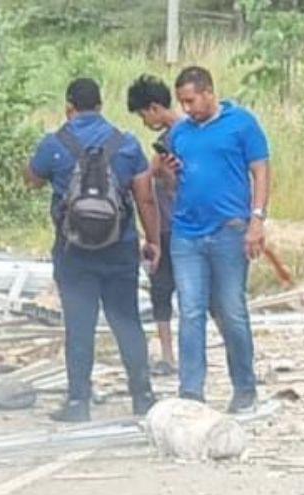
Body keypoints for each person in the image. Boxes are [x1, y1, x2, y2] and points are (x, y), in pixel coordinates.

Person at [25, 78, 161, 422]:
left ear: (69, 106)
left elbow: (32, 180)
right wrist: (153, 240)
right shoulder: (126, 144)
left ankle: (77, 403)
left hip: (74, 253)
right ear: (101, 106)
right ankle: (143, 397)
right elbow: (145, 195)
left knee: (79, 325)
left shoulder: (54, 144)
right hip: (120, 248)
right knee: (127, 321)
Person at [166, 66, 270, 413]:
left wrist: (257, 219)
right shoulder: (180, 133)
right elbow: (173, 181)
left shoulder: (242, 123)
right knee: (191, 310)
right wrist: (171, 174)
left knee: (231, 310)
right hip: (187, 232)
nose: (187, 109)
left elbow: (260, 170)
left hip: (229, 229)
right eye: (182, 103)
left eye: (191, 101)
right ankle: (191, 390)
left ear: (209, 93)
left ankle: (244, 386)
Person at [126, 74, 183, 377]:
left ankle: (170, 355)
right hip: (178, 225)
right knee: (179, 291)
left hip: (170, 225)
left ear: (153, 109)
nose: (144, 121)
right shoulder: (183, 135)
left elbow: (167, 184)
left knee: (163, 291)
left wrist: (161, 175)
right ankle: (175, 355)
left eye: (142, 115)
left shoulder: (174, 140)